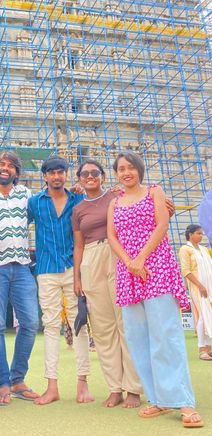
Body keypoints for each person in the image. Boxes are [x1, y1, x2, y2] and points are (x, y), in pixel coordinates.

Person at [107, 151, 203, 428]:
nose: (126, 172)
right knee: (139, 339)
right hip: (128, 274)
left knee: (166, 335)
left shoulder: (154, 191)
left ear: (139, 169)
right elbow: (112, 236)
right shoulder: (115, 202)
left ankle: (183, 401)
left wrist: (140, 259)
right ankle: (159, 399)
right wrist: (129, 262)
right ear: (116, 174)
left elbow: (161, 225)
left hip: (157, 268)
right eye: (121, 169)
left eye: (131, 168)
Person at [72, 160, 142, 408]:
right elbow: (78, 244)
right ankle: (114, 388)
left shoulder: (116, 196)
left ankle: (133, 388)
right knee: (103, 330)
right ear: (79, 179)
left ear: (103, 176)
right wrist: (77, 277)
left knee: (126, 322)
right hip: (90, 260)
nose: (89, 177)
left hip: (117, 255)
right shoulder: (78, 208)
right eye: (84, 174)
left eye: (94, 173)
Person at [28, 155, 94, 405]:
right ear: (44, 176)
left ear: (66, 175)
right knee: (51, 326)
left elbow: (101, 202)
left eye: (61, 172)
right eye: (51, 172)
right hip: (45, 269)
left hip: (74, 269)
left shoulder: (78, 199)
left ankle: (82, 383)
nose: (56, 176)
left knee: (79, 324)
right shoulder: (34, 202)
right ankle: (51, 386)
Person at [0, 151, 40, 406]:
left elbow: (50, 205)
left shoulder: (26, 195)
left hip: (23, 267)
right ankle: (2, 383)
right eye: (2, 165)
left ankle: (18, 380)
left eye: (11, 166)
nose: (6, 169)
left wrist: (77, 191)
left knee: (30, 323)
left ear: (17, 172)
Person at [179, 224, 212, 361]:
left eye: (202, 233)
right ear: (190, 234)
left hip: (209, 285)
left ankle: (209, 347)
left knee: (209, 315)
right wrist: (200, 286)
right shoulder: (185, 249)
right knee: (203, 315)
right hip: (197, 287)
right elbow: (186, 271)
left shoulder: (204, 249)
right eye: (198, 233)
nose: (201, 236)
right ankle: (201, 348)